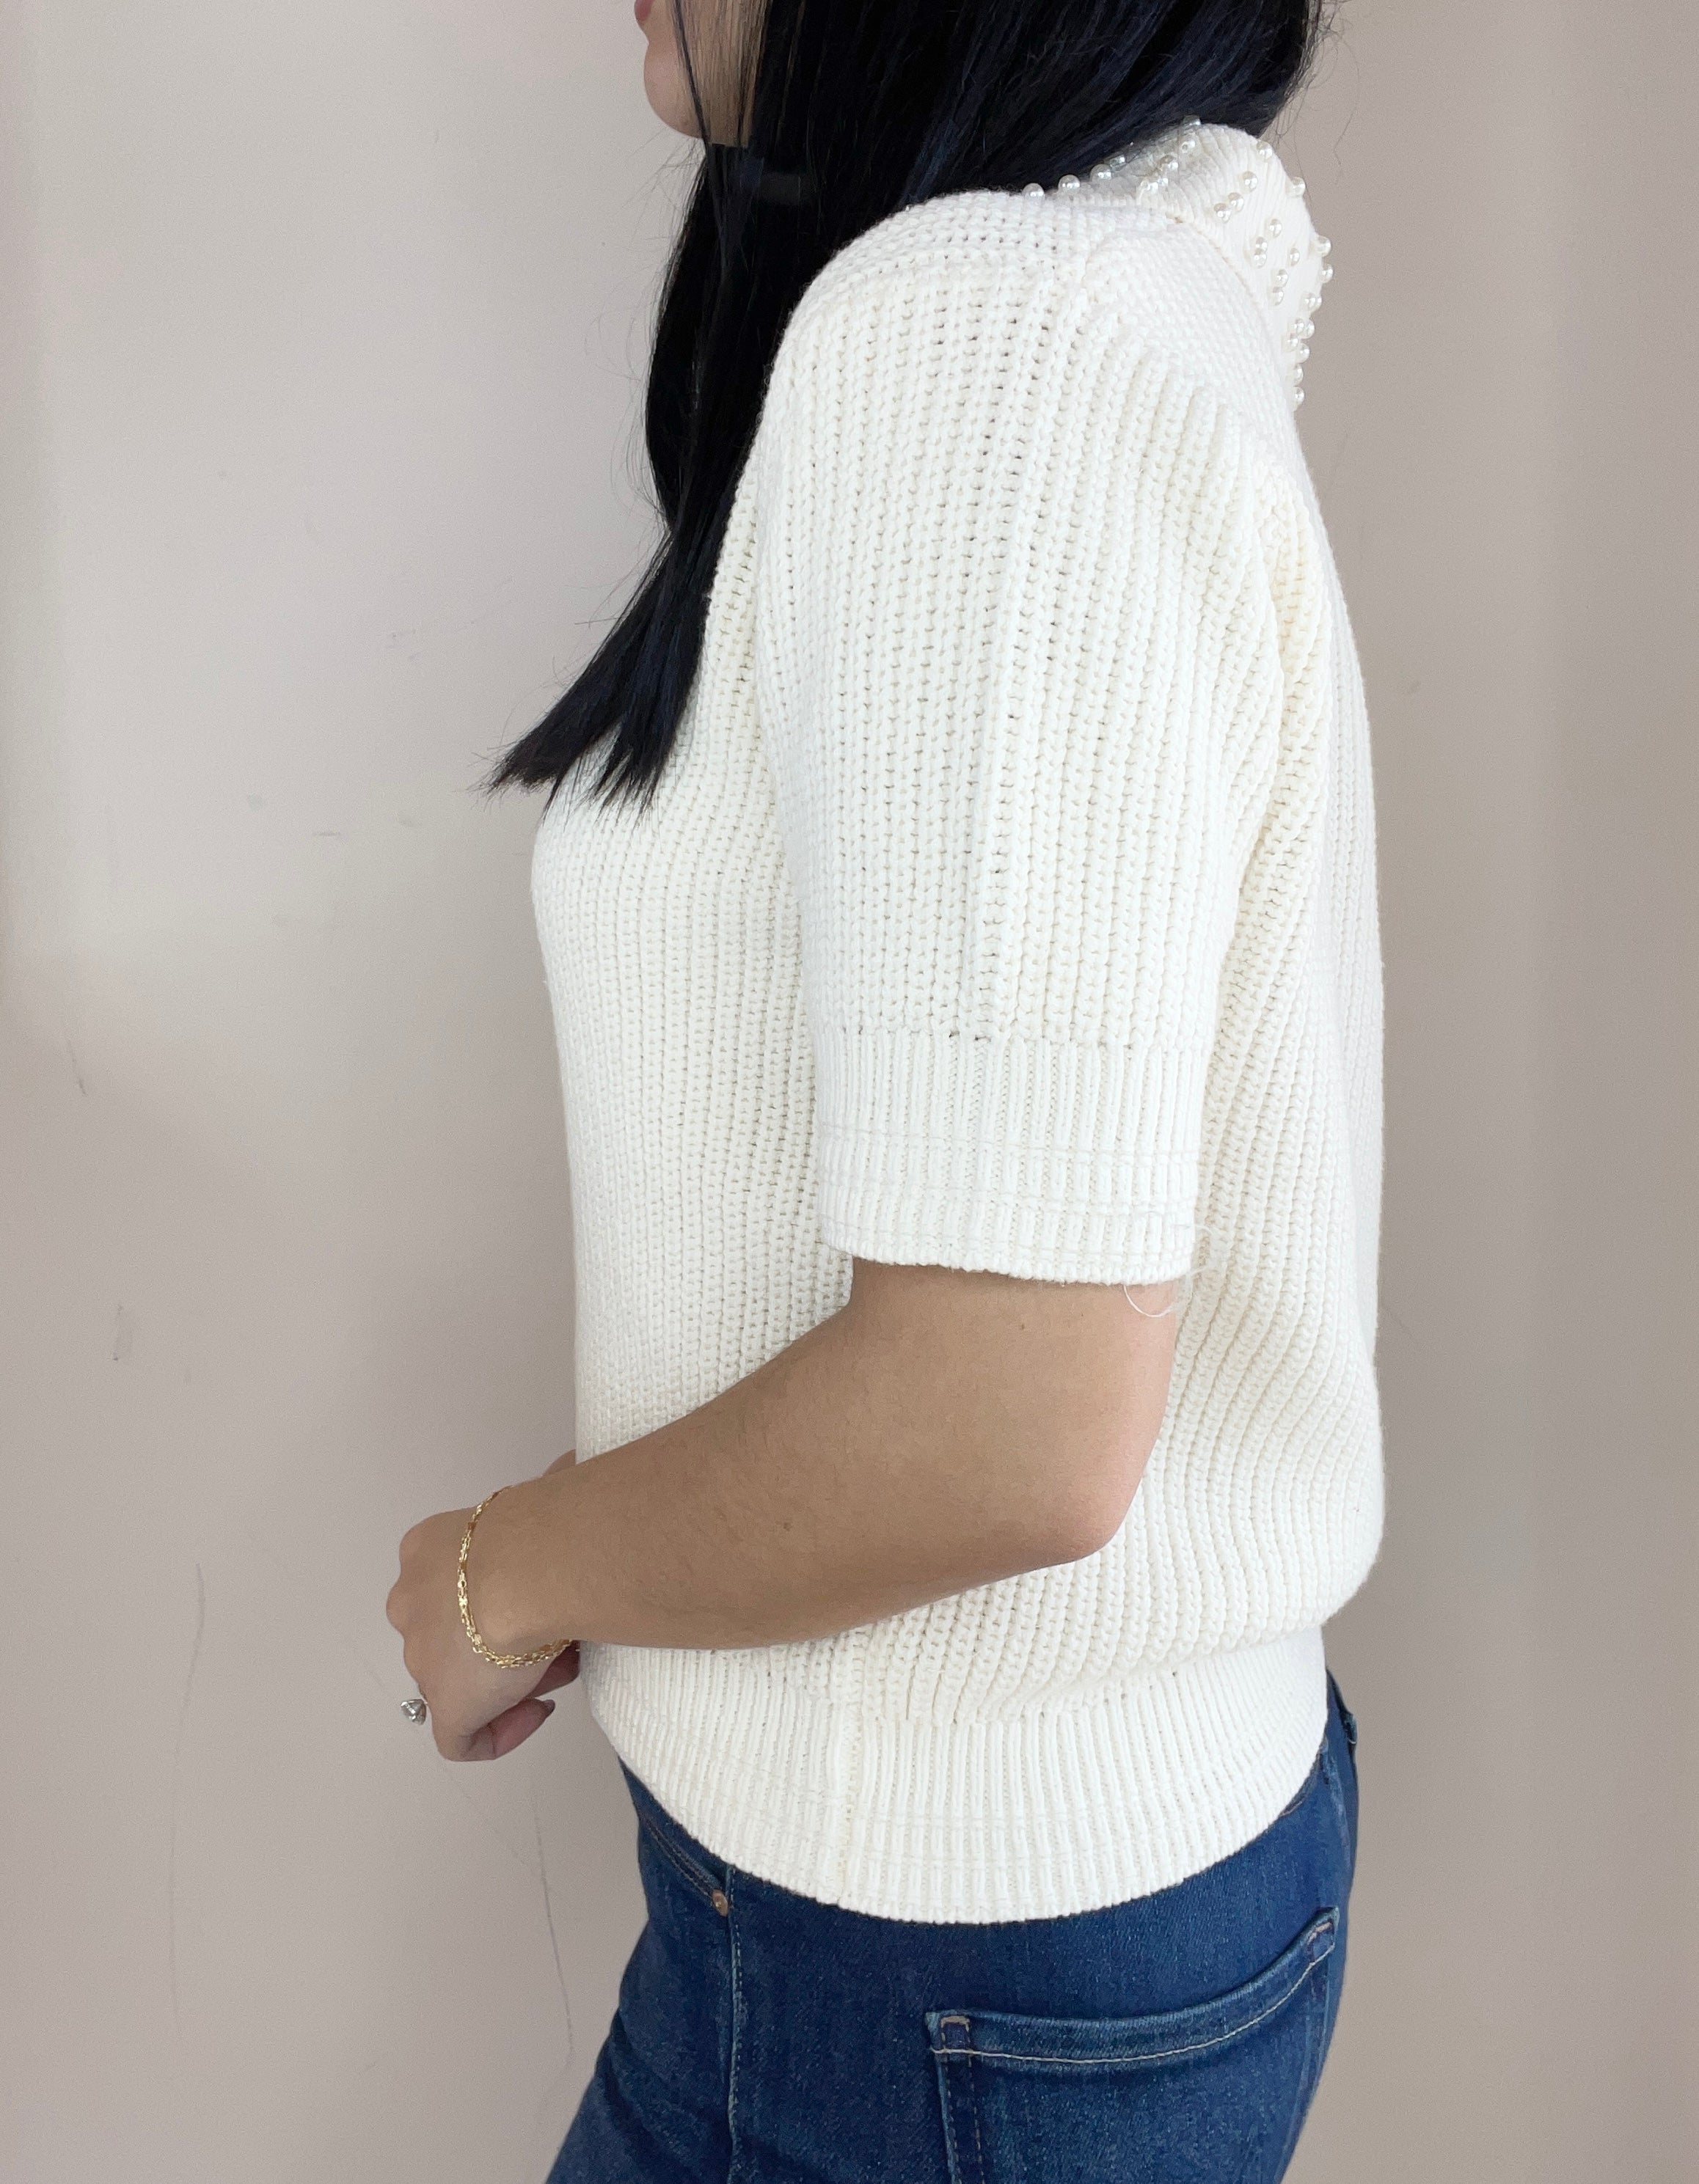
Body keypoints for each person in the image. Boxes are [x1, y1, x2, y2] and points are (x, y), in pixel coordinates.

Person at [386, 0, 1381, 2174]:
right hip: (1028, 1921)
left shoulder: (985, 345)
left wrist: (496, 1571)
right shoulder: (1099, 302)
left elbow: (998, 1422)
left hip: (923, 1968)